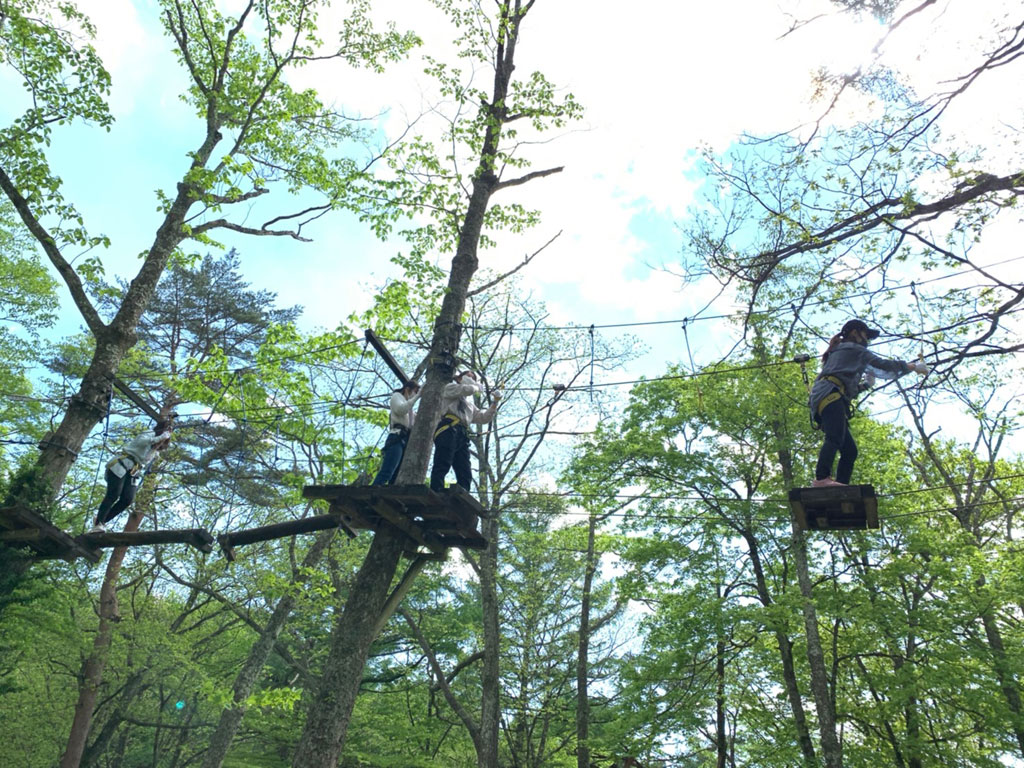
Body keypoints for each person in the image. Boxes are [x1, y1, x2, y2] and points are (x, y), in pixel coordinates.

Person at [809, 319, 927, 487]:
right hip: (830, 395)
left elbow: (848, 387)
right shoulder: (853, 349)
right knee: (834, 437)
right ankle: (821, 479)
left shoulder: (842, 352)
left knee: (850, 451)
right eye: (866, 335)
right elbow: (883, 365)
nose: (867, 340)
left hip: (830, 396)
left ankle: (841, 487)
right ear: (855, 333)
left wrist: (865, 385)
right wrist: (912, 366)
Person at [90, 414, 176, 533]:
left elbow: (145, 460)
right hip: (121, 464)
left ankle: (101, 521)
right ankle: (99, 523)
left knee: (127, 499)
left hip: (134, 471)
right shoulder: (149, 433)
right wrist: (161, 437)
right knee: (114, 494)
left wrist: (156, 447)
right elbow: (142, 442)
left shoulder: (154, 450)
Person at [430, 371, 501, 492]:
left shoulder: (469, 405)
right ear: (459, 378)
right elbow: (466, 390)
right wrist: (476, 386)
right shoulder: (450, 388)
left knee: (464, 469)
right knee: (443, 461)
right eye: (468, 376)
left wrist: (495, 402)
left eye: (473, 378)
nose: (471, 378)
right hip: (448, 428)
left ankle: (463, 493)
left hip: (462, 434)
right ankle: (436, 488)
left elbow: (483, 418)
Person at [372, 380, 421, 486]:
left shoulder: (410, 410)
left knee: (396, 476)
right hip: (397, 436)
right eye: (415, 391)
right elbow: (400, 409)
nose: (415, 395)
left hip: (405, 440)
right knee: (388, 471)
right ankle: (372, 493)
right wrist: (417, 397)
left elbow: (413, 425)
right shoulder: (397, 396)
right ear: (407, 390)